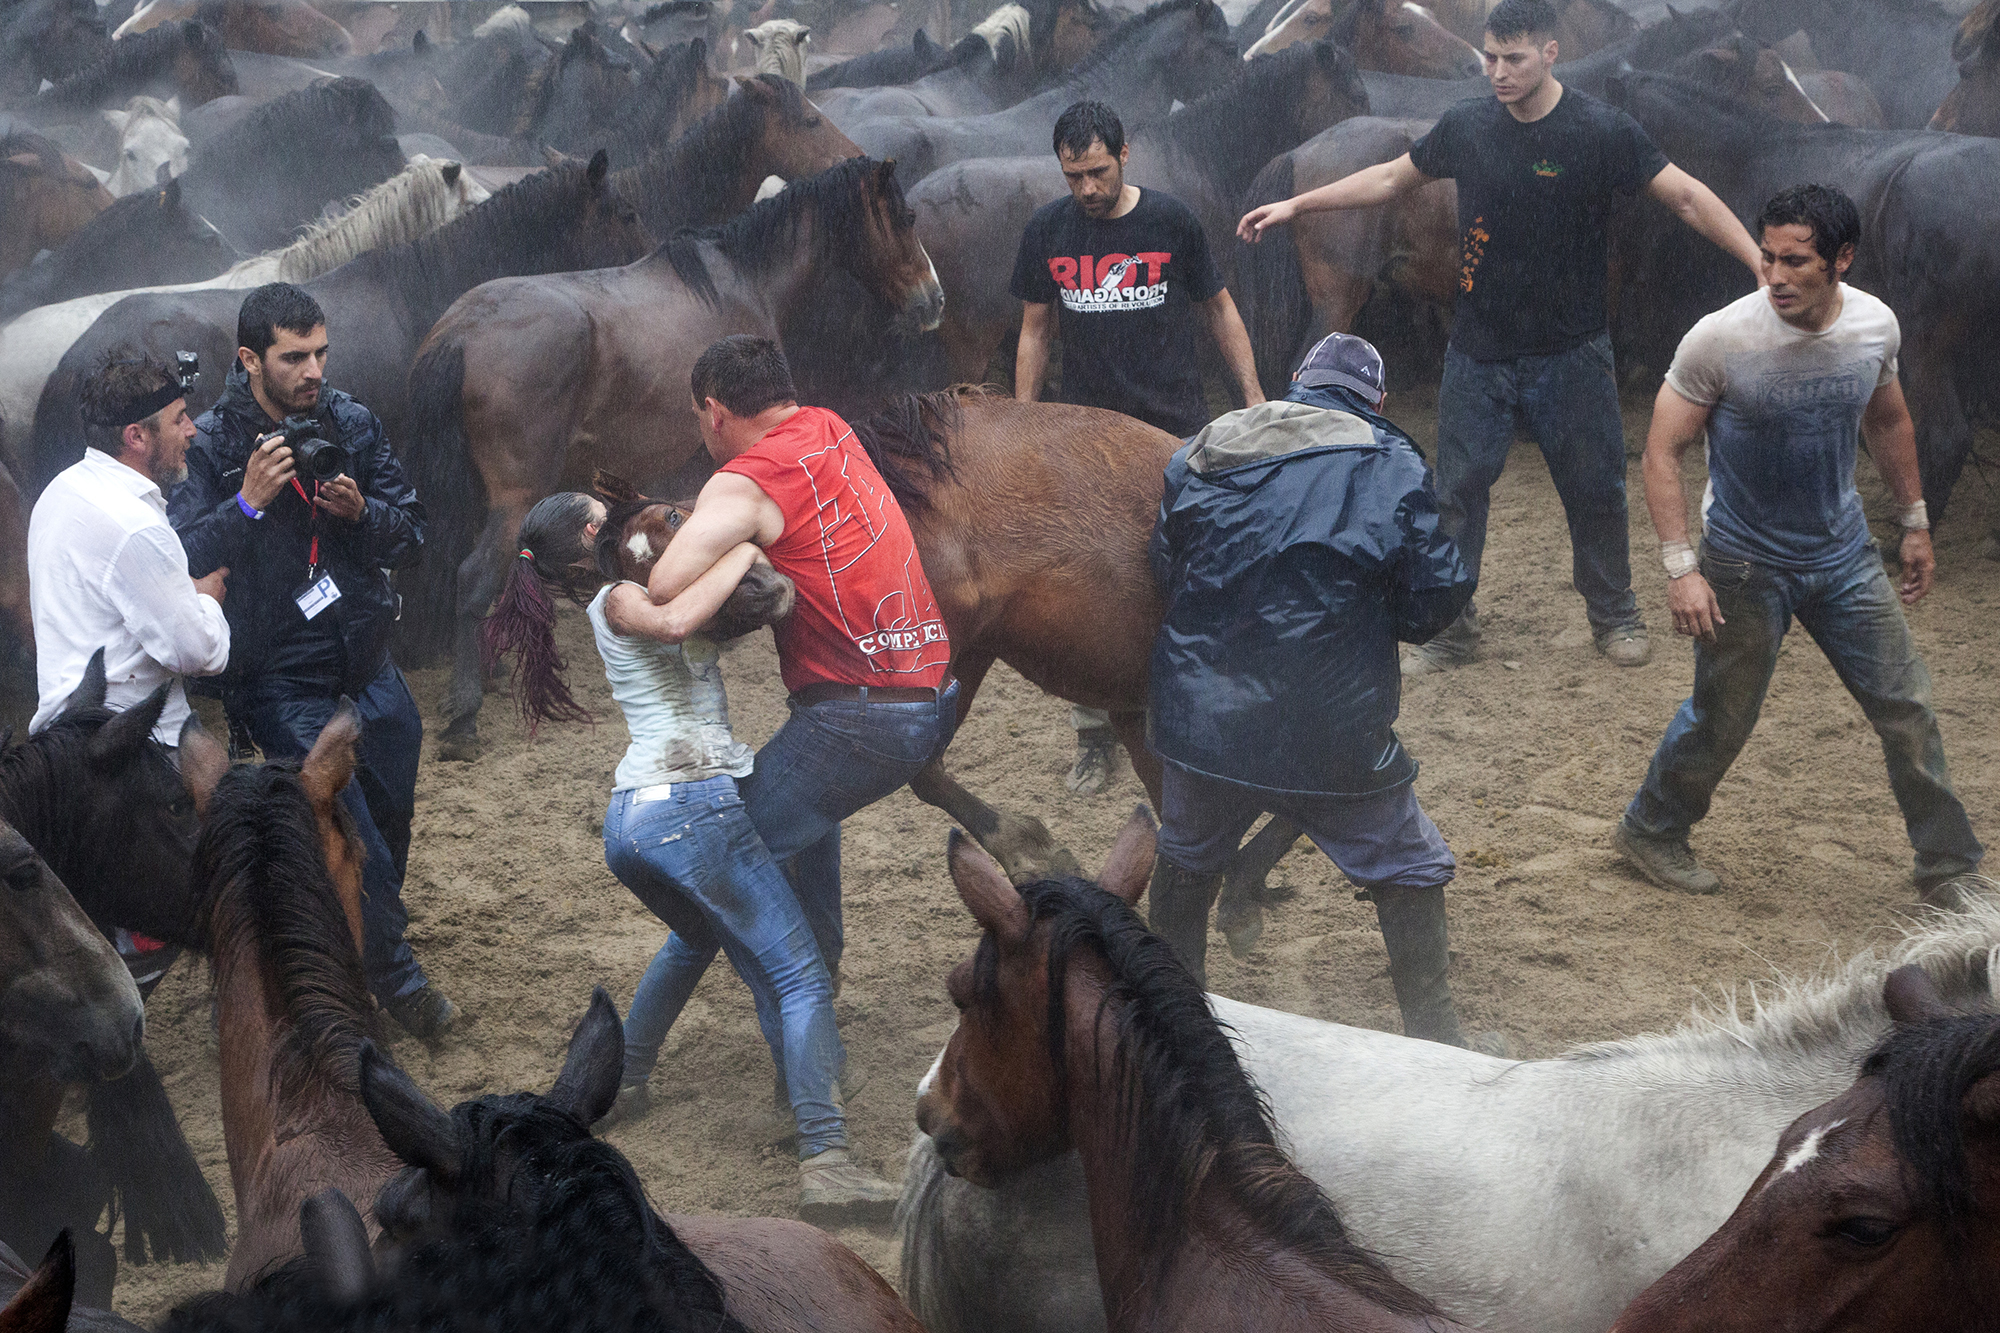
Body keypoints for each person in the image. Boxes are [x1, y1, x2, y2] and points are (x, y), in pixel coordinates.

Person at [1238, 0, 1764, 677]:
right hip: (1478, 350)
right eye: (1490, 58)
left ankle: (1613, 614)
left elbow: (1686, 196)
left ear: (1550, 53)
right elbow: (1390, 178)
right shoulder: (1467, 125)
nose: (1498, 72)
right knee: (1456, 492)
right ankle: (1450, 629)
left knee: (1595, 488)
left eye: (1513, 59)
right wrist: (1298, 203)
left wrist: (1757, 261)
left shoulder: (1601, 129)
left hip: (1573, 349)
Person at [496, 491, 902, 1220]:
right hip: (688, 808)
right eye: (605, 511)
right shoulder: (623, 597)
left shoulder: (638, 594)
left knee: (696, 937)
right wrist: (742, 545)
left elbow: (712, 617)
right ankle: (827, 1158)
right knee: (799, 972)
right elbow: (678, 622)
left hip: (637, 820)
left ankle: (627, 1079)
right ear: (594, 533)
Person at [1614, 184, 1986, 908]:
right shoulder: (1721, 338)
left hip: (1843, 556)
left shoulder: (1874, 326)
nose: (1775, 276)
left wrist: (1914, 522)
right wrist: (1681, 569)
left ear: (1842, 259)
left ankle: (1949, 865)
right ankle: (1651, 828)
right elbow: (1662, 450)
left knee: (1907, 705)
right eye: (1768, 257)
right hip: (1745, 564)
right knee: (1723, 717)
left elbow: (1888, 420)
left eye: (1796, 261)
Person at [1147, 332, 1477, 1046]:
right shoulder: (1391, 460)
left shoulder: (1204, 447)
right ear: (1377, 401)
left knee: (1185, 854)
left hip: (1204, 724)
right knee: (1409, 864)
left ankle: (1174, 1035)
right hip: (1331, 726)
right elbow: (1436, 598)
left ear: (1298, 380)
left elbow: (1164, 564)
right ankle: (1436, 1038)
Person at [643, 335, 957, 1037]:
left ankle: (642, 1057)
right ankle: (826, 963)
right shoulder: (830, 426)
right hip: (935, 698)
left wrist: (740, 547)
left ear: (715, 412)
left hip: (862, 721)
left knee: (725, 870)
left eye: (699, 419)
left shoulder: (742, 481)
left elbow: (664, 584)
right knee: (807, 806)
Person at [168, 282, 453, 1040]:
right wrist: (246, 504)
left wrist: (363, 515)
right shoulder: (211, 443)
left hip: (368, 665)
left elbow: (415, 533)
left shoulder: (349, 420)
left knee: (387, 830)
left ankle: (350, 939)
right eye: (295, 357)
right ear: (249, 359)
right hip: (277, 680)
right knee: (351, 840)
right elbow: (179, 556)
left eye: (321, 353)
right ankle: (397, 984)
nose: (314, 371)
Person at [1012, 99, 1266, 795]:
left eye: (1097, 172)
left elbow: (1219, 308)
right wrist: (1023, 423)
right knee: (1082, 583)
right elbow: (1035, 329)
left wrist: (1252, 398)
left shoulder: (1171, 222)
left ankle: (1206, 712)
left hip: (1172, 428)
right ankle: (1094, 732)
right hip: (1086, 440)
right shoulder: (1047, 230)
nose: (1087, 189)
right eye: (1073, 177)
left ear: (1125, 156)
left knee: (1195, 567)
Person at [31, 352, 231, 997]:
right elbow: (197, 652)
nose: (193, 429)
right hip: (139, 753)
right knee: (220, 888)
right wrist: (206, 600)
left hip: (63, 744)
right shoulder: (136, 525)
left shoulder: (61, 491)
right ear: (135, 437)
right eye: (179, 419)